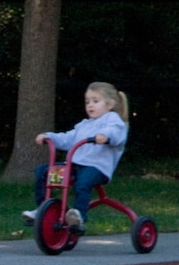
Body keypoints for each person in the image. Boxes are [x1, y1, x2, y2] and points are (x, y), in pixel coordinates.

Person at [22, 82, 129, 232]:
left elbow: (116, 132)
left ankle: (78, 216)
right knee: (43, 172)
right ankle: (44, 209)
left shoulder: (112, 119)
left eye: (95, 101)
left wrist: (105, 136)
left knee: (82, 183)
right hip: (74, 165)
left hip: (97, 167)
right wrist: (49, 137)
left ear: (110, 104)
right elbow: (68, 138)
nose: (90, 105)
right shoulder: (84, 124)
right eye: (87, 101)